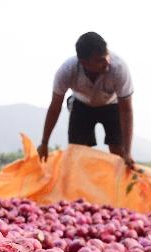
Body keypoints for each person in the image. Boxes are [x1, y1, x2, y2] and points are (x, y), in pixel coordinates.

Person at [38, 32, 135, 169]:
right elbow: (55, 107)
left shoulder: (118, 68)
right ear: (84, 62)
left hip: (112, 106)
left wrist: (128, 152)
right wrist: (44, 143)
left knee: (119, 153)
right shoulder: (67, 70)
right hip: (81, 106)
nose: (106, 61)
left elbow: (126, 110)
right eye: (100, 60)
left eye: (106, 55)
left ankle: (119, 185)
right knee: (77, 155)